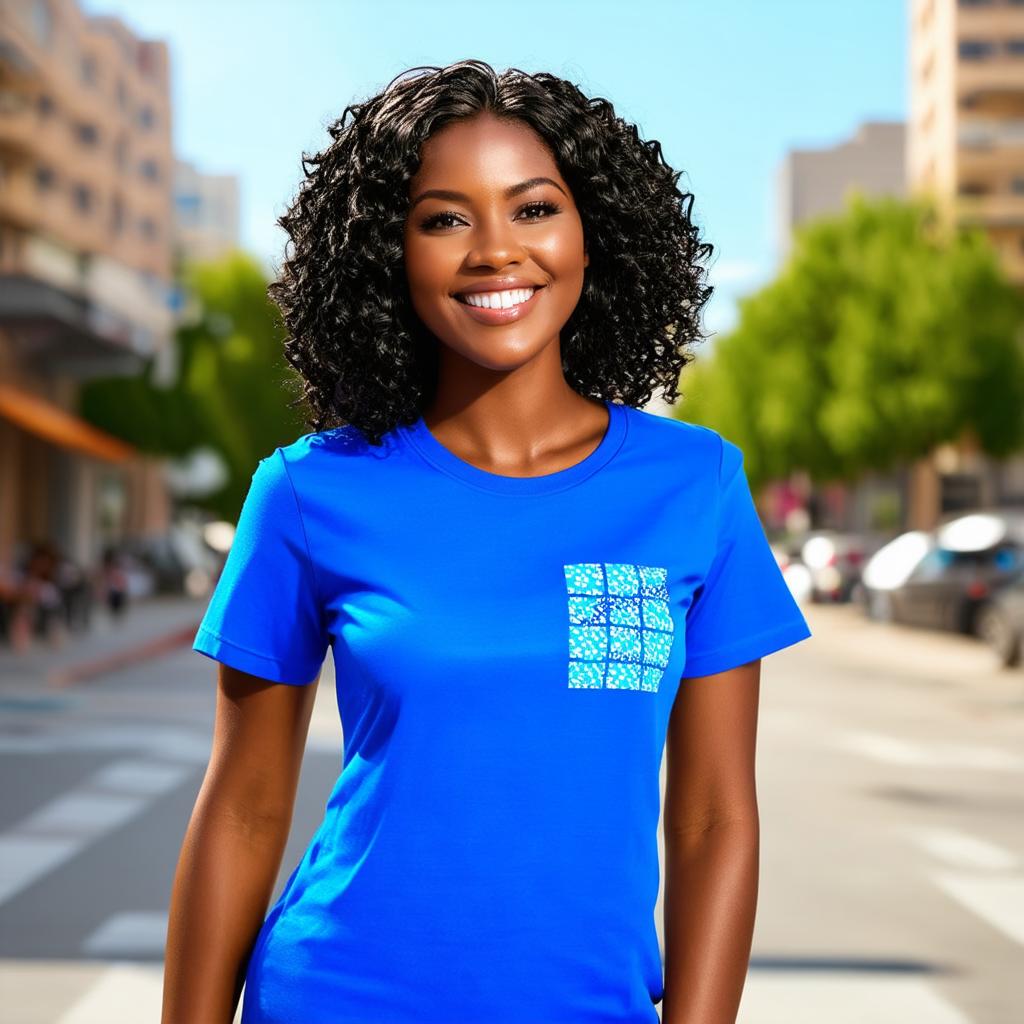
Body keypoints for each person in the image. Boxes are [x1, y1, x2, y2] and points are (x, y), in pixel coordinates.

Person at [163, 60, 812, 1024]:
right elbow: (246, 804)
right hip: (336, 996)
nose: (495, 252)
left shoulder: (692, 485)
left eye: (534, 209)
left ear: (596, 237)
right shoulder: (308, 491)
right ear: (390, 252)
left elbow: (716, 816)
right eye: (444, 219)